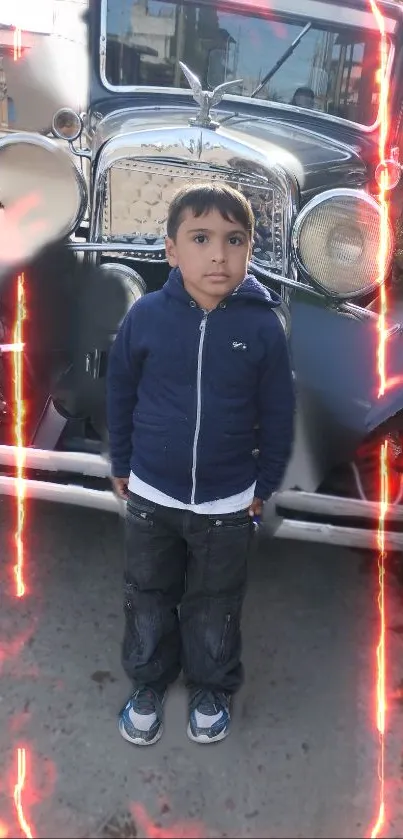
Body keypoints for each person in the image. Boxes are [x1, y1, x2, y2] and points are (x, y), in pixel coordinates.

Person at [106, 183, 295, 746]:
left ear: (249, 249)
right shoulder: (145, 316)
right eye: (201, 238)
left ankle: (211, 685)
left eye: (234, 240)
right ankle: (147, 681)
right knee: (148, 594)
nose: (219, 254)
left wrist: (265, 483)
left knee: (216, 604)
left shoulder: (263, 327)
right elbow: (121, 390)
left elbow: (279, 412)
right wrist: (121, 459)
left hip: (228, 502)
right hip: (151, 497)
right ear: (171, 252)